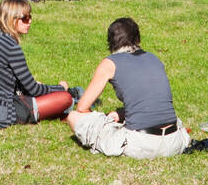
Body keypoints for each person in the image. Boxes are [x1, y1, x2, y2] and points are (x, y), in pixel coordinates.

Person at [65, 17, 190, 158]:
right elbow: (150, 100)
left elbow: (82, 107)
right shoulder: (154, 58)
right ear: (137, 39)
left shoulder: (110, 63)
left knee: (74, 116)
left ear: (110, 41)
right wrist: (122, 113)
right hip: (175, 141)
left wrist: (101, 120)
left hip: (142, 145)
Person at [0, 0, 74, 129]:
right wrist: (60, 87)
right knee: (65, 99)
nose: (30, 21)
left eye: (30, 17)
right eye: (25, 18)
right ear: (12, 19)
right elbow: (33, 89)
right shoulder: (10, 46)